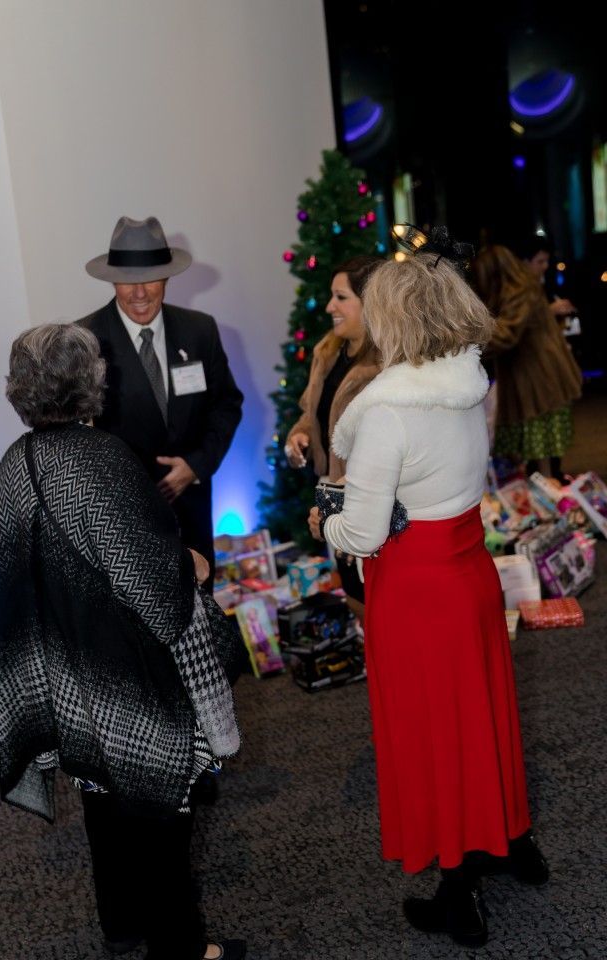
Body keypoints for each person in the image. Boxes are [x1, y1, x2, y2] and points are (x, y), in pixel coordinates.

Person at [307, 236, 548, 948]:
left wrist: (328, 520)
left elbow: (365, 532)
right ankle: (511, 842)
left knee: (433, 736)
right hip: (469, 574)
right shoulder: (467, 385)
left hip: (415, 593)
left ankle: (458, 891)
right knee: (482, 719)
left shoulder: (387, 413)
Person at [0, 324, 246, 960]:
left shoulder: (13, 463)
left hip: (64, 668)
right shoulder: (101, 458)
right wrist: (192, 565)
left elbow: (24, 576)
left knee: (99, 793)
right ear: (90, 382)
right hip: (122, 664)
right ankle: (183, 948)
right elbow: (152, 589)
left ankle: (122, 922)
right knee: (160, 810)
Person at [78, 215, 243, 592]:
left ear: (167, 277)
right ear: (111, 280)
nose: (139, 293)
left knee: (201, 631)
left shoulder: (200, 330)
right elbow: (77, 442)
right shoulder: (85, 341)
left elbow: (226, 405)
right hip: (124, 525)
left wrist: (196, 466)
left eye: (150, 278)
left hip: (193, 515)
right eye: (127, 281)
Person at [285, 255, 383, 614]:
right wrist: (299, 435)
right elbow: (311, 414)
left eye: (341, 298)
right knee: (356, 595)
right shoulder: (328, 352)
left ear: (370, 302)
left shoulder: (386, 366)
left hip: (370, 497)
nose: (330, 307)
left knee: (378, 596)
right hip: (333, 493)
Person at [472, 244, 582, 481]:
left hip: (538, 377)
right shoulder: (521, 288)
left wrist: (467, 342)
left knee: (539, 446)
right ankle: (545, 488)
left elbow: (507, 333)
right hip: (537, 374)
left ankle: (548, 496)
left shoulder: (519, 292)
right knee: (535, 447)